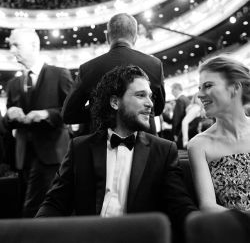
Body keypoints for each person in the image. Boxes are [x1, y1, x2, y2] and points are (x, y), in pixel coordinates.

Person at [36, 65, 196, 242]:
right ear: (115, 102)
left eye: (150, 96)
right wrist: (38, 233)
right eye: (140, 95)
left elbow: (181, 206)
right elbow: (54, 203)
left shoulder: (164, 151)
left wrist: (209, 226)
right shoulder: (79, 149)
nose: (150, 103)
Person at [3, 28, 73, 217]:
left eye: (16, 45)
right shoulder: (13, 85)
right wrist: (9, 116)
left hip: (53, 157)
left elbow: (71, 113)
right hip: (23, 159)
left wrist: (47, 114)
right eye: (10, 46)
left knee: (38, 211)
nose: (12, 50)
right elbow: (7, 126)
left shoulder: (60, 74)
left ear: (34, 45)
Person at [62, 13, 165, 135]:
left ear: (107, 37)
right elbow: (158, 108)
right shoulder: (155, 64)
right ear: (135, 37)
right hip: (146, 143)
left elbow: (69, 114)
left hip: (101, 145)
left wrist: (100, 108)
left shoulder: (88, 68)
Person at [188, 55, 250, 212]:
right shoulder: (198, 145)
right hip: (234, 231)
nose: (200, 95)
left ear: (235, 87)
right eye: (199, 88)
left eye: (208, 85)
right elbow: (208, 207)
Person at [166, 83, 190, 149]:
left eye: (172, 90)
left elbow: (177, 119)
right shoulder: (185, 99)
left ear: (176, 89)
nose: (171, 92)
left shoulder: (180, 100)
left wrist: (174, 133)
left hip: (180, 132)